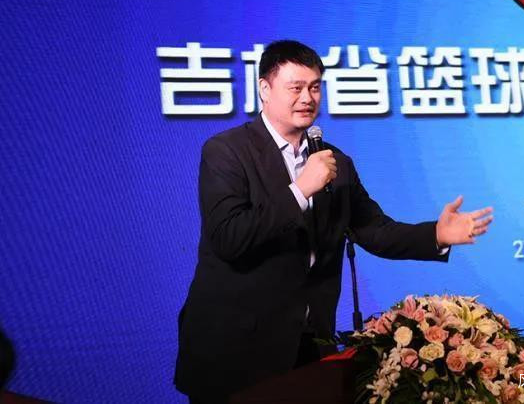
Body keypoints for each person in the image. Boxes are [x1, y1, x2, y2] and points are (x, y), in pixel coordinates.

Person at [174, 40, 493, 403]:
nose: (307, 98)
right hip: (235, 353)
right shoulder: (226, 151)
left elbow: (375, 231)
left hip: (308, 347)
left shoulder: (334, 162)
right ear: (264, 89)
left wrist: (435, 234)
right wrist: (300, 189)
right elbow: (229, 237)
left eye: (314, 87)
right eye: (295, 87)